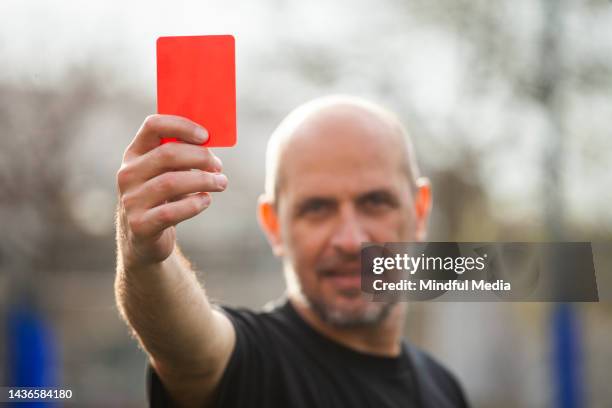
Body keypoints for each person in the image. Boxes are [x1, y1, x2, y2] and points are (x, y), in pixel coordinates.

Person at [115, 95, 469, 408]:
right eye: (317, 208)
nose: (349, 240)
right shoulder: (254, 367)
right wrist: (144, 255)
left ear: (420, 211)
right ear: (273, 225)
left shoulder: (444, 389)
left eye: (375, 202)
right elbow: (191, 351)